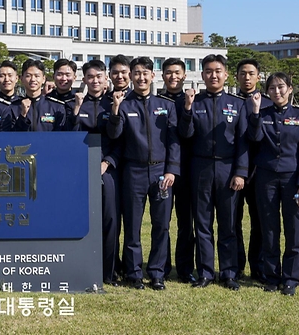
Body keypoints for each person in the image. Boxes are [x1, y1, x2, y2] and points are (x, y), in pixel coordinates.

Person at [108, 57, 179, 290]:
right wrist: (116, 109)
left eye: (145, 73)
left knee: (162, 225)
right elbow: (115, 135)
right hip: (133, 171)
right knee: (132, 225)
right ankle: (134, 272)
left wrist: (171, 170)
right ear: (131, 76)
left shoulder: (166, 105)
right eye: (136, 73)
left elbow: (173, 141)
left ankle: (157, 272)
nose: (141, 77)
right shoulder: (123, 103)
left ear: (152, 76)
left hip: (161, 172)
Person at [179, 54, 249, 290]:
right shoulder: (193, 102)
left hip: (228, 169)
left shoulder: (238, 104)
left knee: (228, 224)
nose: (213, 75)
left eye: (218, 70)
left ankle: (229, 272)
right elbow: (186, 135)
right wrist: (187, 108)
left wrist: (240, 172)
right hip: (201, 168)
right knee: (203, 224)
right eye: (208, 71)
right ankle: (206, 272)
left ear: (226, 74)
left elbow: (243, 142)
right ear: (202, 75)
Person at [246, 72, 299, 296]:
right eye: (272, 88)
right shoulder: (261, 114)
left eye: (281, 87)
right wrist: (255, 112)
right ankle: (272, 277)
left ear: (290, 89)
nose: (277, 92)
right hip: (266, 179)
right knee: (269, 230)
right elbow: (254, 139)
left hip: (293, 179)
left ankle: (291, 279)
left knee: (294, 231)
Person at [72, 60, 122, 285]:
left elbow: (121, 138)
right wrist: (75, 111)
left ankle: (109, 273)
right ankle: (81, 268)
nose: (95, 81)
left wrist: (107, 162)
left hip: (107, 169)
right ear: (84, 80)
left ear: (106, 79)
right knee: (82, 219)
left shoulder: (115, 102)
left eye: (99, 77)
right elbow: (69, 138)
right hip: (80, 168)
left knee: (110, 220)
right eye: (90, 77)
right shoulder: (76, 103)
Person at [233, 58, 271, 283]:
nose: (247, 78)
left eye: (251, 73)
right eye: (242, 74)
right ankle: (235, 266)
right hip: (234, 171)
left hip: (259, 172)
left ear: (258, 76)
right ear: (235, 76)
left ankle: (258, 267)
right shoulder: (230, 101)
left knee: (259, 222)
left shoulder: (267, 103)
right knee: (233, 222)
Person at [160, 57, 196, 283]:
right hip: (159, 169)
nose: (173, 76)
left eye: (177, 73)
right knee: (161, 222)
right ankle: (160, 268)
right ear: (162, 76)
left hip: (188, 169)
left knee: (186, 222)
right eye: (169, 72)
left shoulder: (193, 101)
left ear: (184, 75)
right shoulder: (155, 100)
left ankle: (185, 269)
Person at [17, 59, 69, 132]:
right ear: (22, 78)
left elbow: (61, 137)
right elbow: (9, 136)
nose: (33, 79)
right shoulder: (13, 107)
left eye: (37, 76)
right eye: (28, 76)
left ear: (43, 79)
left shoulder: (56, 107)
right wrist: (23, 115)